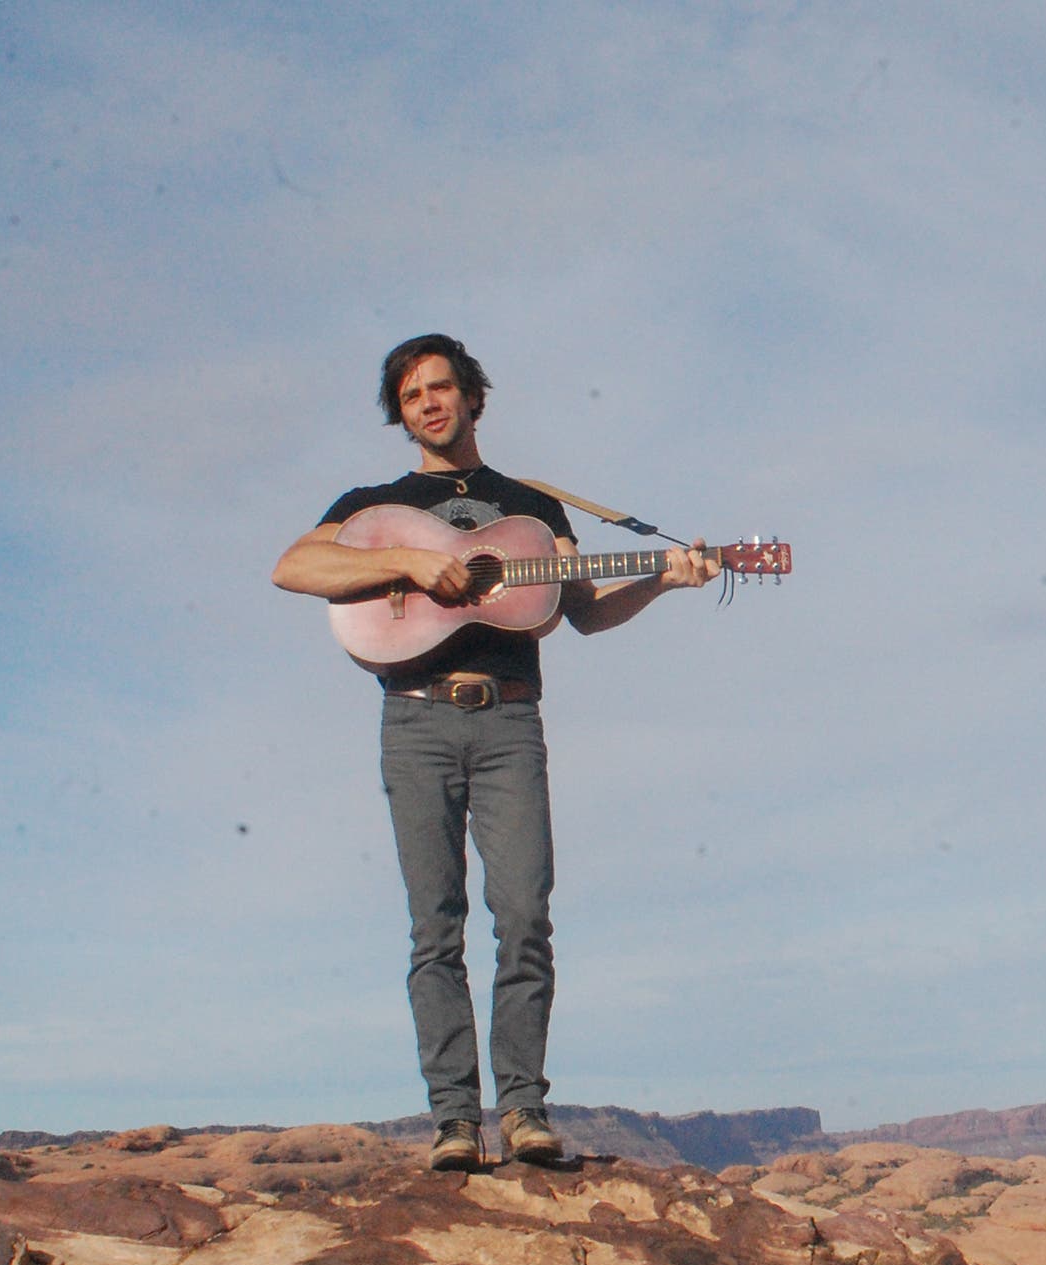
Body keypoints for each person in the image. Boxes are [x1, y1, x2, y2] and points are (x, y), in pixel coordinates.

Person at [272, 334, 721, 1171]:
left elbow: (583, 612)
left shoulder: (531, 510)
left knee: (523, 917)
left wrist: (663, 577)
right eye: (412, 396)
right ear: (400, 413)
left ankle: (522, 1111)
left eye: (443, 388)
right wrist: (413, 561)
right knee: (433, 927)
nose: (430, 405)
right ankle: (453, 1121)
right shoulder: (376, 505)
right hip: (414, 722)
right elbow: (293, 567)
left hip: (511, 721)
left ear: (474, 398)